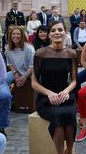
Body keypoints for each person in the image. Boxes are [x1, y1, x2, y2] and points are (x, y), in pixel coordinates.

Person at [31, 21, 77, 154]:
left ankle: (69, 150)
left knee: (69, 114)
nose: (57, 33)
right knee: (57, 115)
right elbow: (34, 82)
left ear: (65, 33)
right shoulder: (40, 53)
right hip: (46, 98)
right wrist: (49, 93)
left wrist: (66, 91)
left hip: (65, 96)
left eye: (60, 30)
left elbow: (74, 80)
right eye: (53, 30)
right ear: (49, 35)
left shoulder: (71, 53)